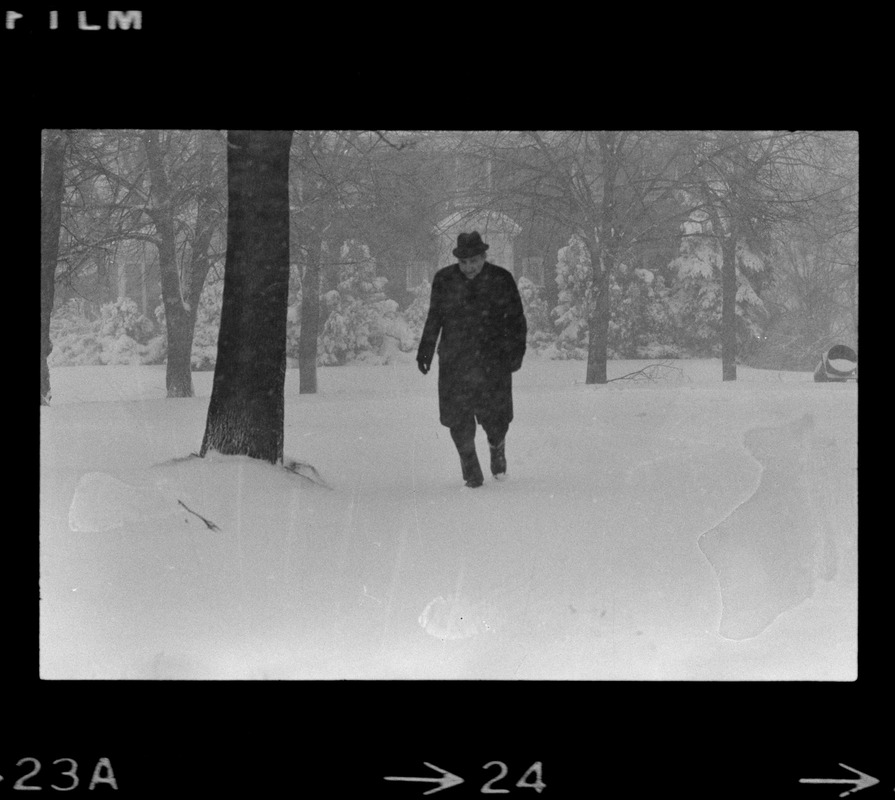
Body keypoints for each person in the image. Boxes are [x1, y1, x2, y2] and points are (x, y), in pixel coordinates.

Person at [417, 231, 527, 487]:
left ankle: (497, 447)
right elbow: (435, 317)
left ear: (484, 256)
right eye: (464, 262)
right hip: (456, 361)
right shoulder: (444, 280)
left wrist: (516, 352)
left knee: (496, 418)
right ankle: (470, 468)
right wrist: (426, 350)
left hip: (494, 360)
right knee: (458, 417)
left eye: (474, 261)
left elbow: (517, 321)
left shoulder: (501, 279)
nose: (469, 267)